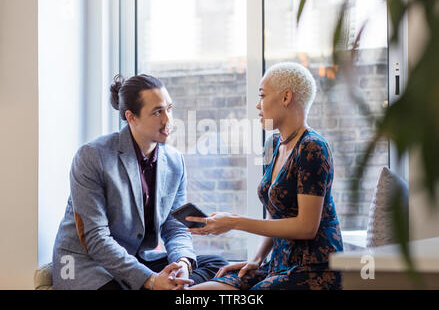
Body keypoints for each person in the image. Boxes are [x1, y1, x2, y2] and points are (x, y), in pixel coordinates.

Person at [52, 74, 228, 290]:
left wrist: (182, 263)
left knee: (217, 265)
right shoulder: (92, 156)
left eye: (169, 109)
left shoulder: (174, 161)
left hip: (136, 257)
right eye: (157, 112)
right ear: (131, 117)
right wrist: (151, 280)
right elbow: (95, 238)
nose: (168, 120)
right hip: (87, 263)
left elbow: (175, 226)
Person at [187, 62, 344, 290]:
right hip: (277, 264)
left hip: (313, 269)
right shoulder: (273, 143)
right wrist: (257, 258)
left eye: (262, 95)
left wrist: (234, 222)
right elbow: (277, 213)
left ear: (286, 97)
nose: (258, 105)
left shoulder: (313, 147)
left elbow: (306, 227)